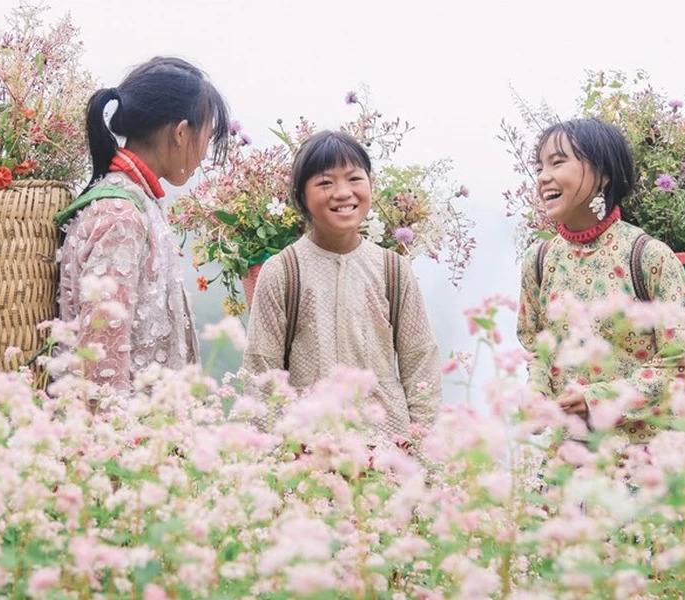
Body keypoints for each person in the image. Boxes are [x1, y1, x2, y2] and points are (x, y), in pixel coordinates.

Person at [242, 130, 441, 446]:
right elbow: (261, 369)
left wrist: (420, 448)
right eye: (325, 183)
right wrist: (266, 461)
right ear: (300, 195)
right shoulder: (282, 271)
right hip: (307, 456)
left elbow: (420, 362)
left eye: (354, 179)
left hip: (387, 450)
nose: (342, 193)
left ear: (370, 184)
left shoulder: (394, 270)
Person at [516, 118, 685, 443]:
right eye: (539, 166)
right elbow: (538, 350)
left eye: (557, 162)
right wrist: (538, 394)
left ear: (603, 174)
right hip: (568, 458)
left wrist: (596, 400)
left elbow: (683, 362)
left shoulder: (649, 257)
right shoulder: (539, 260)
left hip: (643, 463)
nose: (543, 177)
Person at [56, 56, 229, 392]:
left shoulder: (136, 203)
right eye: (206, 138)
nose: (205, 154)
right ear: (181, 133)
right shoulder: (121, 217)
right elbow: (100, 362)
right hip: (123, 438)